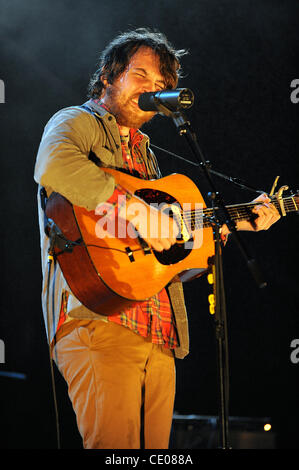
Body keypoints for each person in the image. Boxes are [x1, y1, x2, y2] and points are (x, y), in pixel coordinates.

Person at [34, 28, 280, 449]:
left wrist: (237, 222)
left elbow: (164, 248)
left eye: (162, 84)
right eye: (140, 76)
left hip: (160, 332)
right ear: (109, 77)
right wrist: (134, 210)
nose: (152, 89)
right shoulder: (77, 121)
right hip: (100, 319)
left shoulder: (146, 153)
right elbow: (54, 165)